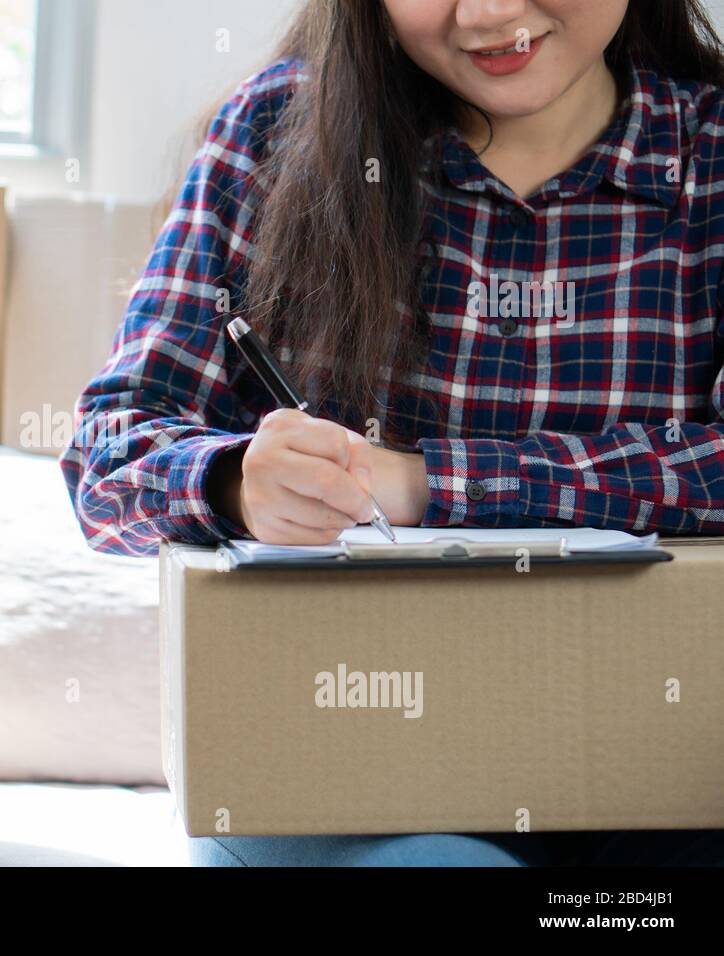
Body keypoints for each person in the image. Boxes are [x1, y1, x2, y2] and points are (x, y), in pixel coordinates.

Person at [60, 0, 724, 866]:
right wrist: (233, 480)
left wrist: (419, 484)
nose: (487, 12)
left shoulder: (709, 156)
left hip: (664, 758)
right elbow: (105, 461)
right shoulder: (277, 128)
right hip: (335, 760)